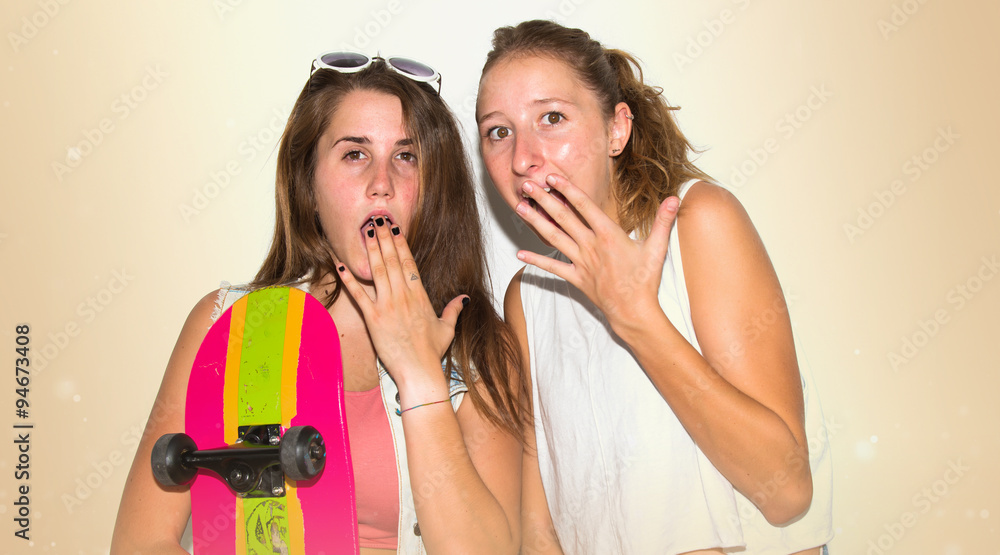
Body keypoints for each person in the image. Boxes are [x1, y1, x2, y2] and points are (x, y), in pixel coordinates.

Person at [112, 52, 526, 554]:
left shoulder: (481, 349)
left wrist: (420, 376)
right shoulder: (226, 327)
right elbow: (140, 542)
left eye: (406, 156)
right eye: (354, 154)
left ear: (432, 190)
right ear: (308, 185)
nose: (382, 183)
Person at [475, 20, 833, 555]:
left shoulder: (698, 222)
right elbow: (541, 529)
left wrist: (636, 317)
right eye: (498, 132)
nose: (522, 156)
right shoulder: (528, 296)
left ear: (617, 129)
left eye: (552, 118)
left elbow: (787, 493)